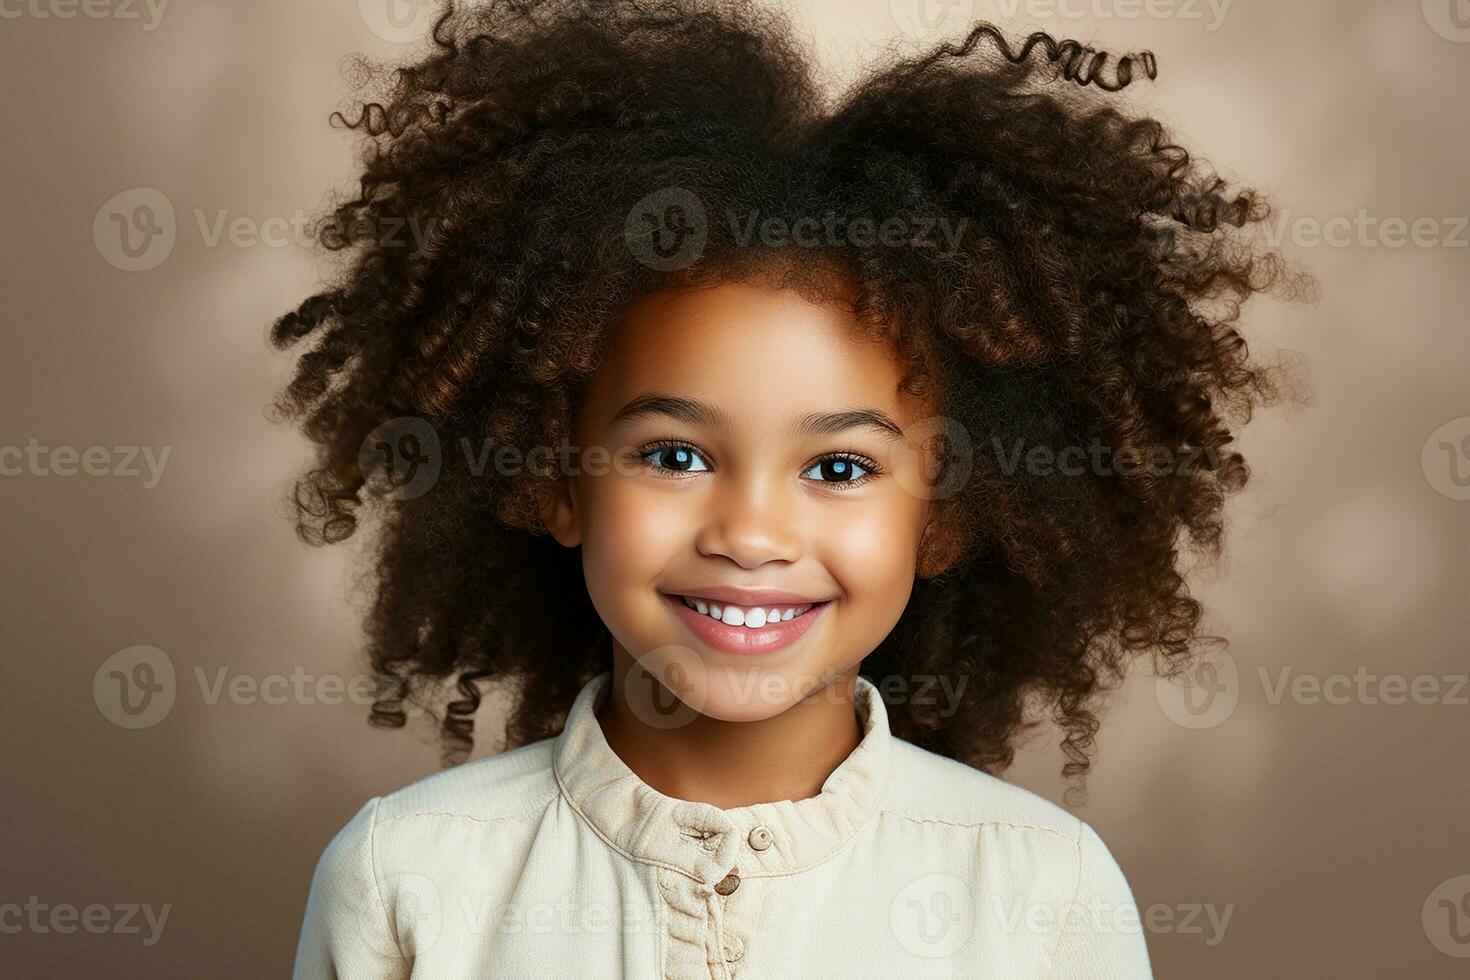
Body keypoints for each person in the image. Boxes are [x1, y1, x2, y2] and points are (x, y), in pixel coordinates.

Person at [272, 1, 1303, 975]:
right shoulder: (404, 876)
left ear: (943, 512)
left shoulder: (1041, 890)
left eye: (840, 467)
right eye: (674, 454)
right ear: (554, 475)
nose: (752, 532)